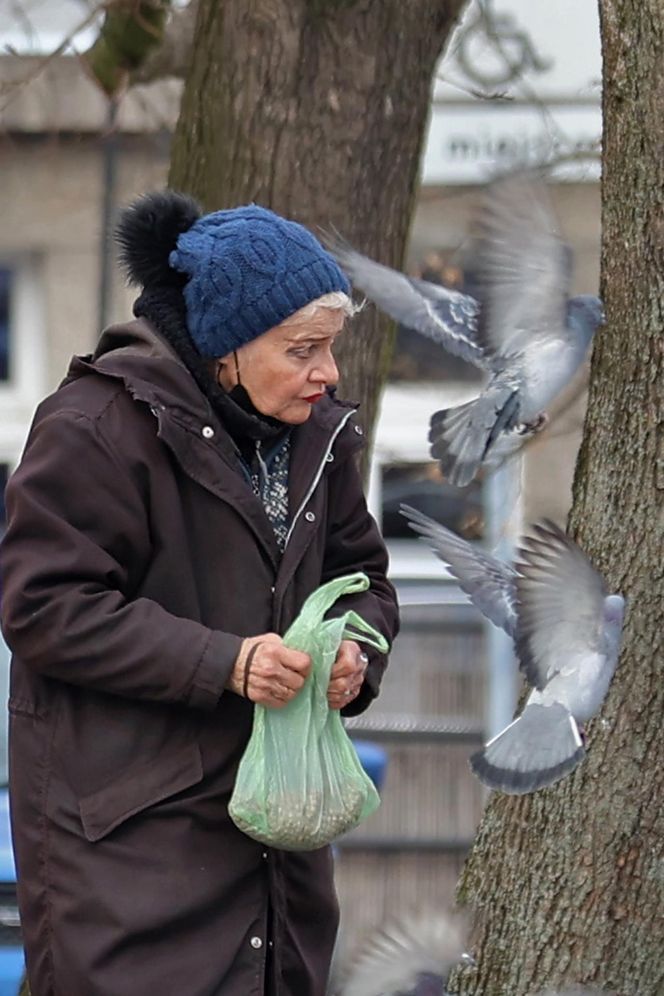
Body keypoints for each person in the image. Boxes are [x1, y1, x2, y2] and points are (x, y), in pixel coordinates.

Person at [0, 191, 399, 996]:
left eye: (331, 347)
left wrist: (356, 650)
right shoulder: (91, 428)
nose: (328, 372)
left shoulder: (318, 438)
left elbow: (364, 577)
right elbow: (43, 607)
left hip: (278, 852)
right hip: (125, 861)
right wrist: (224, 662)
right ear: (226, 349)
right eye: (303, 349)